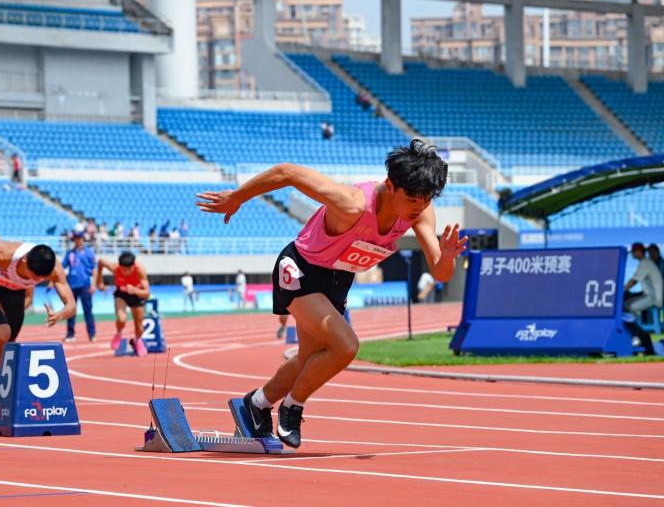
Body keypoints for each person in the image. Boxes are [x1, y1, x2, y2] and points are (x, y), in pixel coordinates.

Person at [196, 139, 466, 449]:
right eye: (413, 199)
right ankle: (293, 405)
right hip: (301, 271)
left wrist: (446, 257)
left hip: (338, 279)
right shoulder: (352, 203)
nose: (418, 207)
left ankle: (255, 404)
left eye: (427, 199)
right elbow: (288, 172)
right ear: (390, 186)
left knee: (308, 360)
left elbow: (440, 272)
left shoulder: (420, 212)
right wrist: (237, 198)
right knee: (346, 346)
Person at [0, 216, 76, 396]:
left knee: (8, 343)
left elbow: (71, 305)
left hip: (14, 291)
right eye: (35, 276)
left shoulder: (54, 269)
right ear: (24, 261)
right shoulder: (3, 254)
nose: (38, 280)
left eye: (42, 278)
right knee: (0, 333)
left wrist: (61, 314)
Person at [96, 251, 150, 356]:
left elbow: (147, 293)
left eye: (129, 269)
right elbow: (101, 262)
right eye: (123, 269)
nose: (126, 272)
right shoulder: (115, 268)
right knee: (122, 319)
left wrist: (135, 290)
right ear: (120, 266)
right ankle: (119, 333)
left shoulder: (140, 271)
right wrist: (99, 281)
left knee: (139, 326)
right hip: (121, 294)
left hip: (137, 295)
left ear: (133, 266)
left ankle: (138, 340)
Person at [61, 230, 96, 343]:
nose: (78, 240)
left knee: (88, 311)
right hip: (72, 286)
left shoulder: (89, 252)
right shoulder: (70, 253)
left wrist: (93, 284)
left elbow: (94, 269)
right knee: (71, 310)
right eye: (76, 238)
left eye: (79, 238)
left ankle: (92, 334)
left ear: (82, 239)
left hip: (85, 286)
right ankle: (70, 334)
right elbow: (62, 267)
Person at [624, 242, 663, 316]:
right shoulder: (645, 262)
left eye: (633, 251)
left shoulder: (645, 263)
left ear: (639, 252)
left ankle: (636, 321)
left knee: (631, 306)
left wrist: (622, 289)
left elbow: (634, 281)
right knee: (627, 303)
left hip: (654, 298)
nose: (632, 254)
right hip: (650, 295)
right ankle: (637, 318)